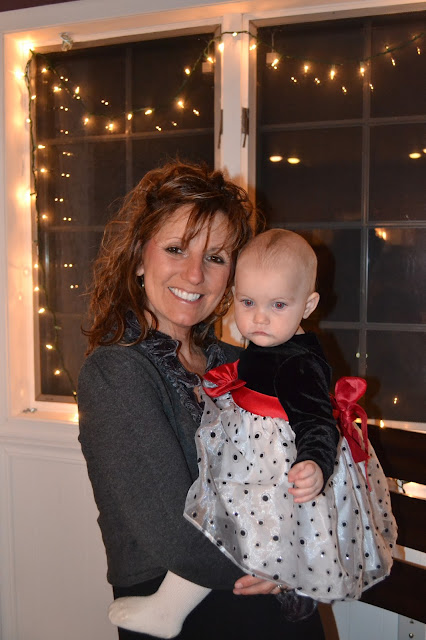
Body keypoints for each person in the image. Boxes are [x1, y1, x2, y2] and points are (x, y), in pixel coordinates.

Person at [78, 163, 327, 640]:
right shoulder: (116, 373)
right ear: (139, 257)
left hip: (270, 592)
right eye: (176, 249)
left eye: (215, 257)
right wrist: (288, 562)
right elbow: (174, 535)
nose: (194, 274)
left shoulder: (240, 362)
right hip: (183, 608)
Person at [108, 229, 397, 638]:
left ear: (307, 305)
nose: (260, 317)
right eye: (248, 303)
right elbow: (248, 373)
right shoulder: (267, 343)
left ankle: (169, 610)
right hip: (256, 461)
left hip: (279, 470)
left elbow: (316, 421)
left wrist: (314, 461)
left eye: (278, 305)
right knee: (221, 515)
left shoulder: (299, 363)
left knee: (224, 516)